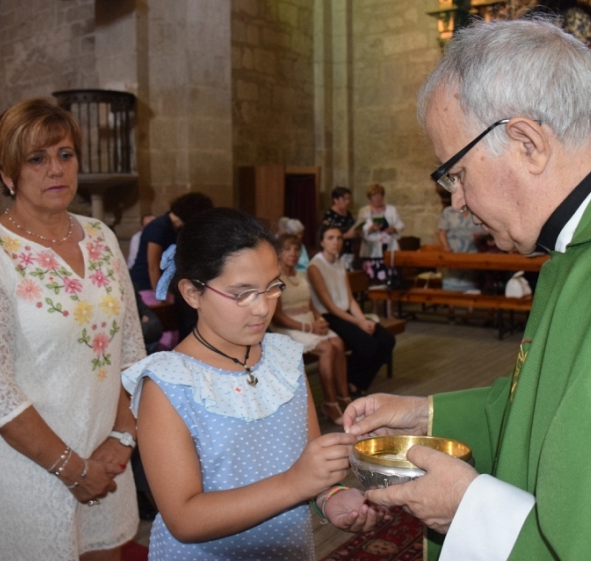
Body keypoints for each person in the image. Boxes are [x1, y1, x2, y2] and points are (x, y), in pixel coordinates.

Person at [344, 17, 591, 560]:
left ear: (527, 143)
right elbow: (545, 411)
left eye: (456, 174)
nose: (457, 202)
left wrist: (470, 510)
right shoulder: (572, 250)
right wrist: (424, 414)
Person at [121, 208, 388, 560]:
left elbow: (307, 469)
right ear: (191, 292)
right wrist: (295, 484)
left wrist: (331, 497)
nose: (262, 308)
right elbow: (184, 518)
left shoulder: (284, 360)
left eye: (272, 287)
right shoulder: (169, 384)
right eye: (242, 293)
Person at [0, 98, 145, 560]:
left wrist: (122, 440)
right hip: (32, 469)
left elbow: (131, 348)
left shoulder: (100, 235)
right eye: (36, 159)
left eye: (64, 154)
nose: (55, 169)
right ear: (7, 175)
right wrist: (70, 468)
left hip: (107, 462)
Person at [270, 233, 351, 425]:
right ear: (278, 253)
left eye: (297, 249)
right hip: (289, 327)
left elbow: (311, 304)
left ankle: (345, 399)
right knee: (327, 348)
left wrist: (320, 321)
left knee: (338, 343)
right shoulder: (275, 278)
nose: (293, 253)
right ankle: (329, 404)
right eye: (287, 249)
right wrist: (309, 327)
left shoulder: (300, 274)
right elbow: (278, 316)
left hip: (310, 323)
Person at [308, 224, 395, 397]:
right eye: (330, 238)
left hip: (345, 313)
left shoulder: (339, 261)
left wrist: (363, 320)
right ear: (322, 242)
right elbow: (330, 306)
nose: (336, 242)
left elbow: (350, 298)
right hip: (328, 316)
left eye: (339, 238)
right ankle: (351, 383)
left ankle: (355, 382)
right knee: (368, 345)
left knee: (386, 339)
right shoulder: (315, 266)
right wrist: (359, 322)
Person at [130, 192, 214, 341]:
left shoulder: (176, 228)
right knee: (163, 335)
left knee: (174, 332)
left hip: (164, 284)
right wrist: (160, 295)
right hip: (146, 285)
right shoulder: (158, 227)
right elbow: (153, 266)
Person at [356, 183, 404, 282]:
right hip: (371, 249)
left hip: (388, 248)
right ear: (370, 198)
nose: (378, 198)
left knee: (390, 277)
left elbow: (400, 224)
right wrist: (371, 228)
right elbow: (359, 229)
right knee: (373, 279)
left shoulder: (391, 209)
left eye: (380, 195)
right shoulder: (364, 211)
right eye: (374, 196)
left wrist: (393, 229)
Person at [437, 202, 480, 291]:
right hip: (453, 252)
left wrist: (480, 237)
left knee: (470, 284)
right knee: (451, 283)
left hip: (471, 253)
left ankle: (470, 303)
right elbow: (442, 233)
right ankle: (450, 303)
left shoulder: (477, 212)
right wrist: (446, 247)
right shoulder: (448, 212)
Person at [322, 186, 358, 270]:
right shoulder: (329, 215)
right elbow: (327, 234)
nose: (348, 202)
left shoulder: (348, 214)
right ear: (335, 200)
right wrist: (345, 236)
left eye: (349, 199)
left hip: (349, 251)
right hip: (337, 251)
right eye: (344, 199)